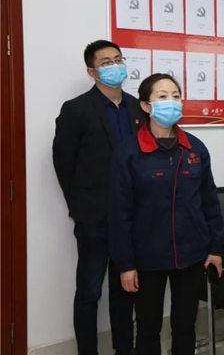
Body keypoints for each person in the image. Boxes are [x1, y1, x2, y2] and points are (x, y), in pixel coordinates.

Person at [108, 73, 224, 355]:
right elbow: (119, 214)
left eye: (175, 96)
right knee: (148, 328)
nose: (171, 102)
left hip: (191, 254)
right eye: (162, 96)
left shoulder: (195, 148)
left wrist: (215, 249)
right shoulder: (128, 153)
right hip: (147, 257)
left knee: (185, 325)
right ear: (146, 106)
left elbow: (209, 202)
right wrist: (126, 265)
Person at [53, 40, 143, 355]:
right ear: (92, 71)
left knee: (126, 288)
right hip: (94, 217)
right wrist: (78, 206)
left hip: (131, 217)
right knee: (90, 291)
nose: (115, 66)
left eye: (118, 59)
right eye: (106, 62)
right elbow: (63, 162)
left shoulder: (137, 107)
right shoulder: (76, 109)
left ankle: (124, 349)